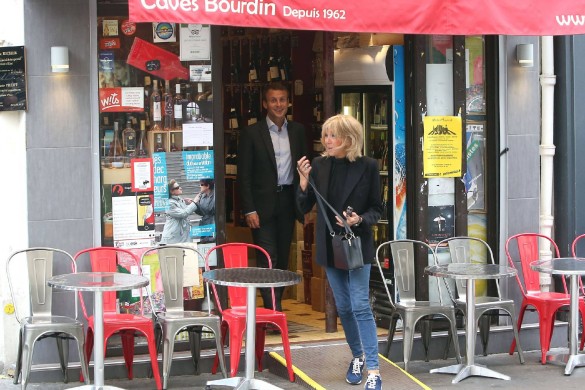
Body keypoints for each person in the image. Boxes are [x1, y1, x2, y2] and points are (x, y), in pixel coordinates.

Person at [296, 114, 383, 390]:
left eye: (333, 135)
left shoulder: (369, 166)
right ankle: (357, 355)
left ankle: (373, 370)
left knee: (359, 305)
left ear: (349, 138)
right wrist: (302, 181)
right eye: (325, 135)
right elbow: (303, 208)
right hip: (330, 244)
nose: (327, 140)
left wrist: (359, 219)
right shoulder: (320, 166)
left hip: (356, 245)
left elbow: (377, 210)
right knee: (344, 306)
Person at [238, 82, 308, 311]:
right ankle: (273, 309)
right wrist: (249, 209)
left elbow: (306, 169)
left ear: (288, 102)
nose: (278, 105)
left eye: (282, 100)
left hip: (288, 200)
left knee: (283, 258)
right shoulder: (252, 133)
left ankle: (274, 304)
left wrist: (304, 203)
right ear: (265, 103)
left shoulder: (297, 131)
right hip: (261, 205)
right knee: (268, 258)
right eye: (273, 100)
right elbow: (244, 175)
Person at [159, 179, 197, 244]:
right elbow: (183, 213)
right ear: (171, 191)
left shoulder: (179, 200)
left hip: (182, 235)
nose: (180, 188)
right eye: (177, 188)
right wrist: (194, 203)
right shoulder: (169, 203)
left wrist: (189, 203)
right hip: (173, 237)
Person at [193, 178, 215, 243]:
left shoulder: (215, 195)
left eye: (201, 184)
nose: (200, 186)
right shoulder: (202, 196)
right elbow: (202, 212)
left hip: (212, 222)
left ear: (207, 186)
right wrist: (195, 205)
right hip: (204, 224)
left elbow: (211, 209)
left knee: (211, 241)